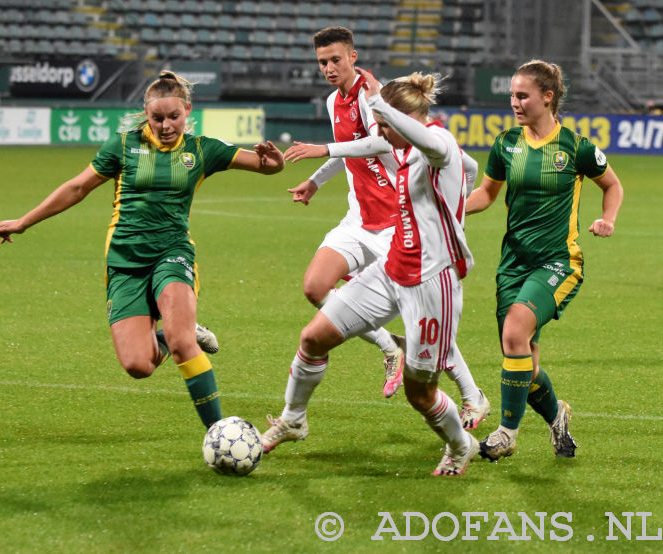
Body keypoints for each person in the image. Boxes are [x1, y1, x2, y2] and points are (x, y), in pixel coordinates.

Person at [0, 71, 285, 431]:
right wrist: (24, 221)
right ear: (146, 114)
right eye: (157, 118)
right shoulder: (123, 145)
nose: (165, 126)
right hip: (125, 262)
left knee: (181, 344)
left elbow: (265, 165)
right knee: (138, 366)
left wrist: (276, 163)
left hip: (172, 254)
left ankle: (219, 433)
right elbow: (77, 188)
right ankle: (173, 334)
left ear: (188, 111)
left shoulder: (201, 149)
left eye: (173, 117)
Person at [263, 69, 479, 476]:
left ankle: (459, 444)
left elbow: (455, 161)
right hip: (392, 267)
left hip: (431, 284)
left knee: (420, 393)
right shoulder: (401, 145)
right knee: (313, 337)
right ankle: (293, 419)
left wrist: (453, 221)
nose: (381, 134)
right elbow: (471, 169)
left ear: (404, 121)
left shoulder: (437, 143)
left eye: (384, 125)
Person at [466, 60, 624, 461]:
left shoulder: (576, 146)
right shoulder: (506, 144)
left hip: (558, 261)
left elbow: (613, 185)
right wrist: (452, 209)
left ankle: (506, 433)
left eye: (522, 95)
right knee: (523, 360)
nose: (514, 103)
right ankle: (557, 416)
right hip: (513, 264)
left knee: (515, 333)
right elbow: (486, 193)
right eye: (512, 96)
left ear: (547, 96)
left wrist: (608, 219)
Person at [285, 26, 406, 399]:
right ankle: (390, 347)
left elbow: (376, 142)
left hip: (394, 223)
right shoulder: (331, 101)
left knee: (423, 315)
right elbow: (348, 149)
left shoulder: (373, 95)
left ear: (353, 57)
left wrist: (324, 150)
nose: (329, 67)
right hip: (358, 220)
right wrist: (315, 182)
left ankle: (471, 396)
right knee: (315, 287)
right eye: (323, 62)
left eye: (335, 59)